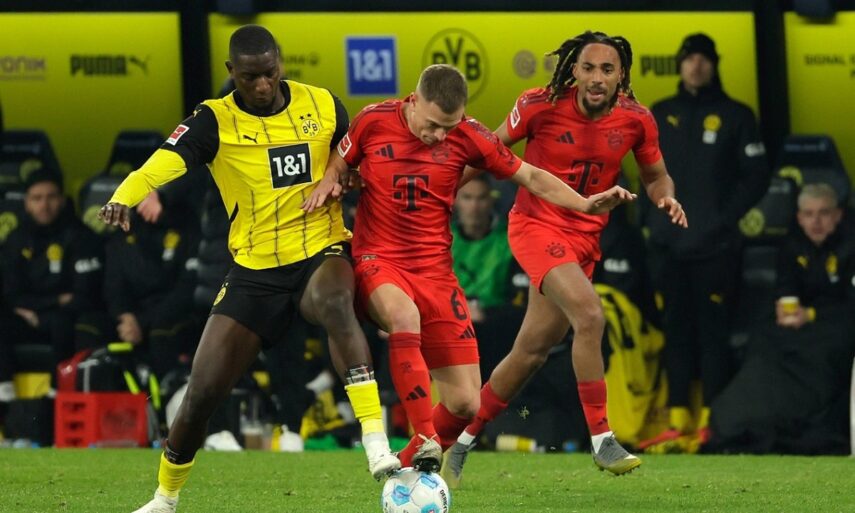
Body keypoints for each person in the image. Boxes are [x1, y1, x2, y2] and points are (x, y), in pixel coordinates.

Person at [98, 25, 399, 513]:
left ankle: (375, 441)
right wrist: (123, 195)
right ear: (230, 72)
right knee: (201, 394)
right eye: (249, 77)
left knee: (335, 301)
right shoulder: (214, 120)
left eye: (269, 73)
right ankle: (164, 498)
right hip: (254, 269)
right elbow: (163, 162)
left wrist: (344, 176)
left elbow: (356, 157)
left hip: (319, 248)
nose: (261, 85)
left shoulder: (323, 104)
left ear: (281, 63)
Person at [303, 63, 634, 472]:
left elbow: (531, 176)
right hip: (380, 259)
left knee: (464, 403)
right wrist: (332, 177)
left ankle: (403, 473)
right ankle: (425, 437)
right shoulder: (373, 120)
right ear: (414, 100)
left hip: (437, 274)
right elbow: (341, 157)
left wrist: (583, 203)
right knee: (404, 316)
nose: (439, 136)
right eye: (432, 125)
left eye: (448, 127)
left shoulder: (469, 135)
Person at [441, 31, 688, 486]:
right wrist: (442, 191)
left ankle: (462, 441)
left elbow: (656, 176)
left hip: (584, 240)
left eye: (607, 69)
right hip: (535, 227)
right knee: (590, 315)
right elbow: (489, 151)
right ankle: (603, 439)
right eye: (588, 68)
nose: (596, 78)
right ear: (573, 70)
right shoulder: (539, 105)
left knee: (531, 352)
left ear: (621, 76)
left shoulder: (637, 119)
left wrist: (665, 197)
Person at [639, 33, 771, 450]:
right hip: (669, 246)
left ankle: (713, 421)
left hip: (715, 248)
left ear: (715, 65)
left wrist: (722, 220)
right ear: (680, 65)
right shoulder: (661, 113)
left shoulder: (736, 115)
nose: (696, 66)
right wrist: (651, 221)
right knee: (675, 330)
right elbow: (643, 170)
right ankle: (678, 419)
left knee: (714, 333)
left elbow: (757, 175)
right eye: (689, 59)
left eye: (704, 59)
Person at [708, 184, 855, 454]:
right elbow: (785, 287)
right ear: (799, 218)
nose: (816, 221)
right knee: (763, 341)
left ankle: (808, 423)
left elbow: (849, 302)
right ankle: (743, 419)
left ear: (838, 215)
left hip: (837, 326)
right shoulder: (792, 244)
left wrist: (812, 314)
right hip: (798, 326)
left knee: (828, 350)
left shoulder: (850, 244)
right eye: (809, 214)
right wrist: (785, 306)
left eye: (823, 213)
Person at [1, 169, 106, 395]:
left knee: (63, 321)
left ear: (62, 200)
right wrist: (55, 300)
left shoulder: (81, 237)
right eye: (37, 198)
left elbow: (83, 295)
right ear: (27, 203)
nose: (44, 205)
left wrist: (36, 307)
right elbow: (11, 293)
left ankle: (56, 394)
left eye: (51, 197)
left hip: (63, 318)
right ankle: (4, 393)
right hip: (27, 318)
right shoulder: (16, 239)